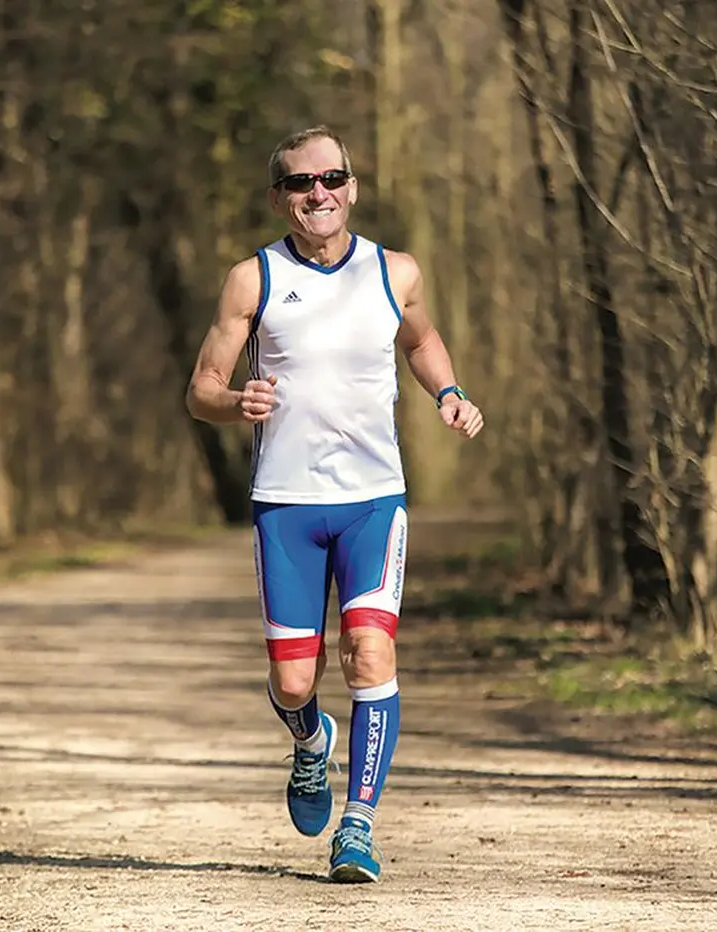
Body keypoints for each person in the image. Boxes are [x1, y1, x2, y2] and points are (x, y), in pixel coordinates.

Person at [184, 125, 483, 883]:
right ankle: (311, 744)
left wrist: (447, 391)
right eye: (299, 182)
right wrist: (234, 402)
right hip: (284, 503)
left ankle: (357, 827)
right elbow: (201, 390)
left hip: (373, 501)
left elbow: (421, 342)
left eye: (331, 178)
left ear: (351, 186)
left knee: (370, 653)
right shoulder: (251, 279)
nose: (317, 193)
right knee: (293, 682)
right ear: (279, 196)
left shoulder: (395, 271)